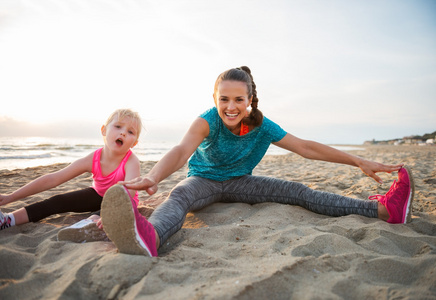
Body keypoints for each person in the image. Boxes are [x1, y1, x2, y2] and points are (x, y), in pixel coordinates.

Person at [100, 66, 414, 258]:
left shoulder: (263, 126)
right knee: (179, 195)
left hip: (241, 183)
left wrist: (357, 160)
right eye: (224, 99)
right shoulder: (207, 121)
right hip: (203, 182)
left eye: (239, 99)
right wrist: (154, 176)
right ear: (215, 99)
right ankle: (149, 238)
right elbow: (182, 152)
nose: (231, 107)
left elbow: (305, 147)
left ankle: (383, 209)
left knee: (298, 191)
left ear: (250, 100)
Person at [0, 109, 143, 233]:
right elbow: (53, 179)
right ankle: (8, 220)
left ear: (134, 143)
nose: (123, 133)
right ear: (104, 130)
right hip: (98, 196)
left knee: (97, 216)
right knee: (57, 201)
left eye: (130, 132)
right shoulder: (92, 159)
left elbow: (127, 196)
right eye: (118, 126)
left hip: (123, 202)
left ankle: (89, 225)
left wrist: (107, 215)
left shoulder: (131, 162)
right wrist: (11, 197)